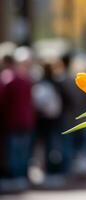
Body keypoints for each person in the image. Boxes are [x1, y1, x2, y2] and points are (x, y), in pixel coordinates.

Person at [0, 55, 34, 191]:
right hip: (26, 120)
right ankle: (22, 178)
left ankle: (15, 178)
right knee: (23, 152)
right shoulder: (24, 79)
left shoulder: (7, 78)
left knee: (13, 152)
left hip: (12, 121)